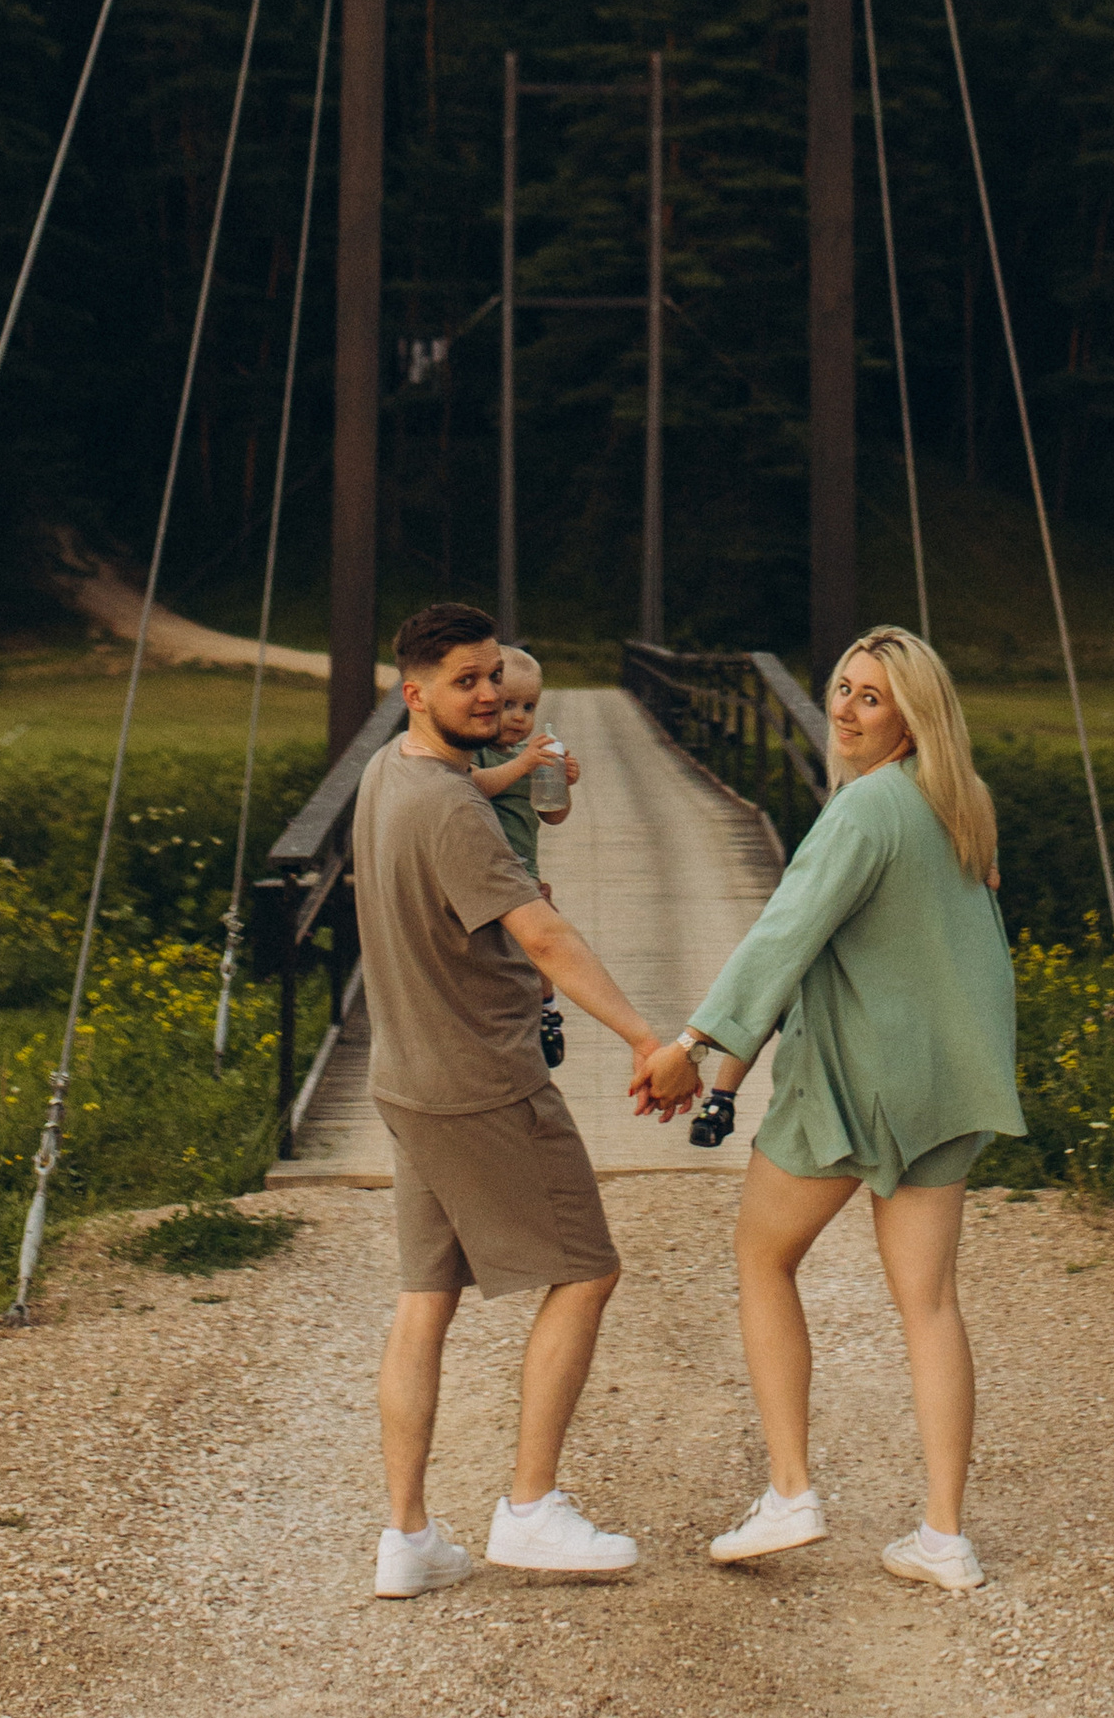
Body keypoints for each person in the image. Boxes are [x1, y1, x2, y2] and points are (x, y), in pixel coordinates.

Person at [637, 624, 1023, 1594]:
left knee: (761, 1257)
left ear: (909, 719)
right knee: (929, 1304)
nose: (845, 713)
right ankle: (943, 1537)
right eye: (842, 690)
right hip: (940, 1088)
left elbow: (779, 938)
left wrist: (692, 1051)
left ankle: (791, 1492)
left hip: (853, 1088)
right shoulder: (958, 804)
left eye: (870, 699)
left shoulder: (863, 816)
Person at [354, 600, 671, 1597]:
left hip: (406, 1077)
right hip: (481, 1081)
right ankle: (531, 1509)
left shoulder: (384, 775)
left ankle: (407, 1538)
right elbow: (544, 936)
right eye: (467, 681)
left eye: (496, 674)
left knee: (423, 1303)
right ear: (416, 693)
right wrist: (643, 1037)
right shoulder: (452, 809)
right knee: (584, 1271)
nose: (490, 693)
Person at [468, 644, 579, 1068]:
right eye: (507, 705)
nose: (518, 717)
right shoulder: (474, 752)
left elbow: (552, 816)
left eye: (528, 707)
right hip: (484, 869)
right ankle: (491, 1019)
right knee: (491, 949)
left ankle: (547, 1010)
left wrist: (562, 783)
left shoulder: (527, 755)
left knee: (543, 941)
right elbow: (471, 786)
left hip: (524, 870)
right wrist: (524, 765)